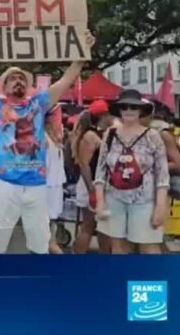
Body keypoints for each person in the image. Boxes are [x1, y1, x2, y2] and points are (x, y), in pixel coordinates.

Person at [0, 30, 93, 254]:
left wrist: (81, 55)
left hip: (36, 186)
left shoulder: (39, 103)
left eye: (22, 79)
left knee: (39, 246)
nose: (18, 81)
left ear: (28, 87)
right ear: (4, 87)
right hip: (4, 185)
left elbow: (67, 79)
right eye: (12, 79)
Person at [94, 89, 170, 254]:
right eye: (124, 107)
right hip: (114, 199)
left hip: (145, 201)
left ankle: (151, 280)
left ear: (141, 110)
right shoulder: (110, 134)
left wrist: (160, 205)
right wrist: (100, 201)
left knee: (149, 247)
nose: (129, 111)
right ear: (119, 110)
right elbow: (100, 171)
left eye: (133, 107)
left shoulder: (153, 136)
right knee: (118, 247)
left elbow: (163, 174)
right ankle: (121, 279)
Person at [71, 103, 113, 254]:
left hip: (99, 184)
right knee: (88, 226)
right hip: (91, 184)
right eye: (110, 114)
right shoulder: (90, 136)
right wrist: (91, 189)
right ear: (104, 115)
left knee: (103, 227)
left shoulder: (101, 134)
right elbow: (84, 164)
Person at [44, 106, 67, 254]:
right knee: (43, 223)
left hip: (56, 184)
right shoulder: (42, 137)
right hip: (45, 185)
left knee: (51, 221)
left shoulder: (54, 137)